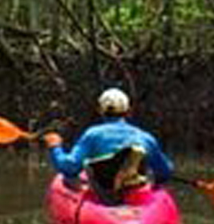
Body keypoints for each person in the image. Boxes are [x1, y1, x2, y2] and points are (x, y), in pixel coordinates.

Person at [43, 87, 173, 204]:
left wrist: (56, 147)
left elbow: (69, 168)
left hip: (104, 195)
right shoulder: (145, 138)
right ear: (128, 110)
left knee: (66, 179)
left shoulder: (92, 135)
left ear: (101, 110)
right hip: (135, 195)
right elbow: (165, 172)